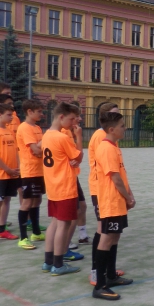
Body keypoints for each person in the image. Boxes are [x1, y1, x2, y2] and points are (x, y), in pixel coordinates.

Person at [92, 112, 134, 300]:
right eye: (122, 125)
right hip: (110, 200)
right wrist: (127, 197)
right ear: (112, 129)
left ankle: (110, 276)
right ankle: (100, 285)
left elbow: (121, 174)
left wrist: (129, 194)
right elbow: (115, 179)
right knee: (107, 238)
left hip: (117, 201)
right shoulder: (106, 148)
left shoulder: (114, 147)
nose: (124, 128)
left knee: (114, 236)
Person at [41, 102, 83, 275]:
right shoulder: (62, 137)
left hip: (52, 185)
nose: (74, 123)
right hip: (64, 185)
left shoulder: (46, 135)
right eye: (71, 119)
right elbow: (78, 156)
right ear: (61, 117)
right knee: (63, 225)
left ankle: (48, 261)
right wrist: (79, 137)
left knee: (55, 223)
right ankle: (58, 264)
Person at [88, 103, 125, 286]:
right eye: (115, 115)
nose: (120, 119)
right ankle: (97, 274)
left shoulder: (112, 141)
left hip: (111, 191)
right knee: (103, 231)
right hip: (101, 189)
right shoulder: (101, 138)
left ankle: (109, 272)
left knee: (110, 233)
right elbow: (107, 170)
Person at [15, 100, 45, 249]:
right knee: (27, 202)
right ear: (29, 112)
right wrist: (43, 142)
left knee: (37, 200)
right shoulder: (25, 128)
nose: (42, 114)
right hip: (29, 171)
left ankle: (36, 232)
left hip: (40, 170)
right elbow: (37, 150)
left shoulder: (37, 127)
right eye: (39, 111)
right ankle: (23, 238)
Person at [60, 107, 89, 255]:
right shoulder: (64, 133)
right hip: (66, 178)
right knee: (73, 211)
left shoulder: (70, 132)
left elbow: (76, 157)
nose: (79, 120)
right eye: (76, 117)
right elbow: (77, 156)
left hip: (73, 175)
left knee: (82, 206)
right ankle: (65, 245)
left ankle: (82, 234)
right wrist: (79, 137)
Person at [0, 103, 19, 240]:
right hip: (2, 174)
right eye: (8, 115)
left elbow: (15, 152)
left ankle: (2, 229)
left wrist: (17, 168)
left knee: (7, 200)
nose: (11, 118)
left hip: (11, 174)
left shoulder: (9, 131)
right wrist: (7, 169)